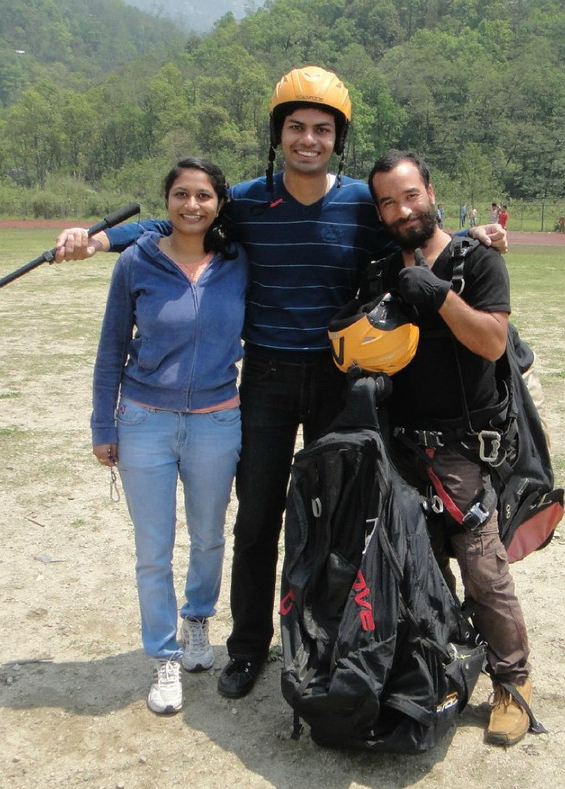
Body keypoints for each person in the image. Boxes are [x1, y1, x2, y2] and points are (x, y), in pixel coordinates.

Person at [54, 66, 507, 702]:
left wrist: (471, 236)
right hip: (263, 381)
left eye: (322, 129)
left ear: (337, 140)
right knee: (258, 521)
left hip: (337, 382)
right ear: (278, 134)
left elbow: (416, 230)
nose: (308, 139)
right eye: (296, 127)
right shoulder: (241, 201)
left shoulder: (359, 202)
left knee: (329, 520)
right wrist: (101, 238)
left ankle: (320, 643)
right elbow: (171, 225)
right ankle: (245, 649)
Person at [366, 150, 538, 746]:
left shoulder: (479, 260)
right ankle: (439, 668)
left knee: (484, 572)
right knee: (421, 569)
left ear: (431, 191)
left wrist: (438, 295)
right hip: (403, 446)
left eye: (409, 195)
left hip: (464, 451)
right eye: (387, 201)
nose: (401, 209)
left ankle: (513, 685)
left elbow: (492, 342)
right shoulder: (385, 268)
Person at [92, 157, 247, 715]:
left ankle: (198, 622)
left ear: (219, 204)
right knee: (152, 551)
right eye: (181, 194)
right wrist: (102, 426)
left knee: (209, 537)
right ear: (166, 202)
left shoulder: (238, 263)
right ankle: (163, 655)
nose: (192, 205)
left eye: (204, 195)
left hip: (217, 422)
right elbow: (110, 350)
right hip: (144, 423)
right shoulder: (135, 263)